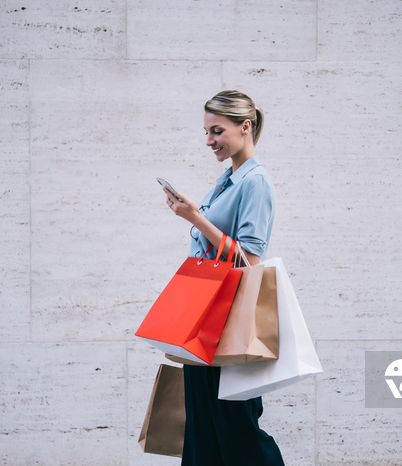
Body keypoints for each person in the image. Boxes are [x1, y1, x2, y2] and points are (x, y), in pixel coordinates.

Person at [163, 90, 285, 466]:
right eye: (206, 131)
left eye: (217, 131)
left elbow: (248, 259)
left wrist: (195, 218)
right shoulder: (227, 179)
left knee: (236, 432)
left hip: (227, 323)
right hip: (202, 322)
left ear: (245, 127)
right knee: (201, 432)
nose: (209, 141)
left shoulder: (256, 182)